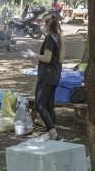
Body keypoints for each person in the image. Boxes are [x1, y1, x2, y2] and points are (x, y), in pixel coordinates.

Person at [24, 13, 65, 141]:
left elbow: (47, 58)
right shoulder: (58, 37)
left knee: (40, 105)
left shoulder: (49, 39)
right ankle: (53, 133)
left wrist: (33, 55)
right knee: (49, 105)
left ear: (48, 25)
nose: (41, 25)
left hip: (47, 76)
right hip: (54, 75)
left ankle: (53, 134)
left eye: (42, 22)